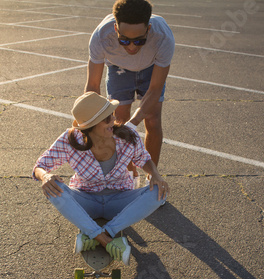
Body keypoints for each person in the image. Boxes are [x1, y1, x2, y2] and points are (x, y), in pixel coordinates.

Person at [32, 92, 169, 265]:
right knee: (53, 187)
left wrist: (155, 175)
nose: (113, 121)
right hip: (85, 200)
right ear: (91, 125)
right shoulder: (69, 140)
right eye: (106, 119)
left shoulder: (127, 136)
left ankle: (100, 234)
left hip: (120, 200)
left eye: (112, 116)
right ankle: (106, 241)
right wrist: (45, 176)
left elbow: (144, 159)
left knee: (159, 192)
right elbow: (39, 167)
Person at [85, 0, 175, 171]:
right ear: (115, 29)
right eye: (124, 41)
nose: (132, 47)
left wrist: (134, 123)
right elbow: (92, 86)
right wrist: (90, 122)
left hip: (151, 67)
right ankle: (129, 176)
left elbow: (155, 89)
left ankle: (152, 176)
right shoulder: (101, 36)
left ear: (148, 30)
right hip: (119, 68)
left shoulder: (163, 36)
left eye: (139, 41)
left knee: (153, 120)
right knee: (119, 122)